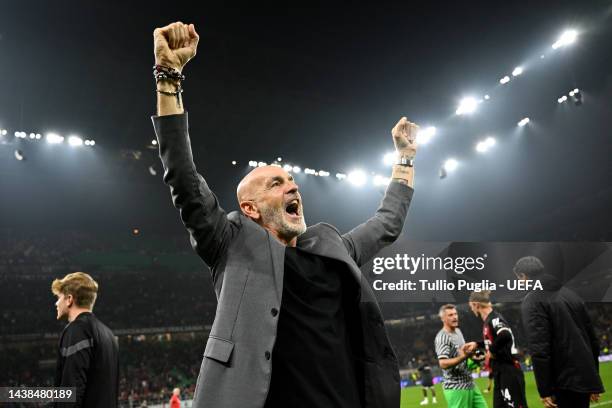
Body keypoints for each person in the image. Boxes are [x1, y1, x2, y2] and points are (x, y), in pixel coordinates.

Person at [151, 21, 417, 408]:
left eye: (291, 181)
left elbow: (387, 223)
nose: (292, 186)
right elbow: (183, 177)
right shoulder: (230, 243)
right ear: (249, 208)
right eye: (275, 184)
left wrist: (406, 158)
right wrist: (168, 77)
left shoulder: (332, 247)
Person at [514, 256, 605, 408]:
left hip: (563, 382)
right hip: (583, 379)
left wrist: (545, 389)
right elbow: (592, 340)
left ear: (523, 276)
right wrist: (592, 381)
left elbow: (539, 347)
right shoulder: (571, 295)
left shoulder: (533, 300)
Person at [51, 272, 119, 407]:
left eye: (59, 297)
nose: (56, 303)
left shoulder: (76, 330)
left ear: (69, 299)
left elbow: (71, 392)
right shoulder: (109, 334)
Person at [466, 290, 528, 408]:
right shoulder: (489, 320)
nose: (471, 309)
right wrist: (477, 344)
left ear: (476, 304)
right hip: (499, 373)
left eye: (471, 306)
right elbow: (494, 341)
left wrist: (491, 351)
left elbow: (505, 335)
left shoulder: (495, 319)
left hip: (509, 371)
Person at [434, 304, 488, 408]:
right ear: (443, 319)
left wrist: (474, 357)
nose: (455, 317)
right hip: (456, 387)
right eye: (450, 315)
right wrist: (464, 357)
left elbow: (463, 354)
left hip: (469, 383)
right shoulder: (442, 337)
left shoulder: (458, 331)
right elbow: (443, 363)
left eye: (455, 314)